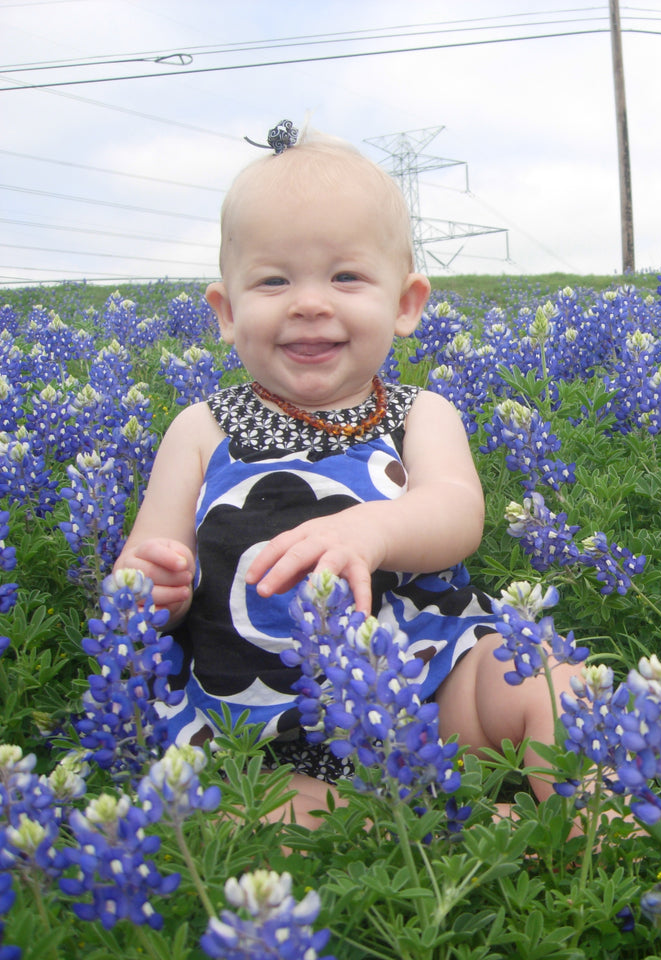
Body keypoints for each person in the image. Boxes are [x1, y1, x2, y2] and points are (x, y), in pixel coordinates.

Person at [115, 126, 573, 828]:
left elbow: (456, 514)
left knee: (546, 680)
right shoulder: (200, 429)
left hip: (425, 678)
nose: (309, 302)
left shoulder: (423, 413)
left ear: (406, 303)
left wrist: (375, 528)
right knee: (242, 814)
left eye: (345, 277)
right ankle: (466, 835)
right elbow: (143, 569)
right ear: (227, 313)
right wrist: (152, 591)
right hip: (256, 719)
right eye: (274, 280)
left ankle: (604, 826)